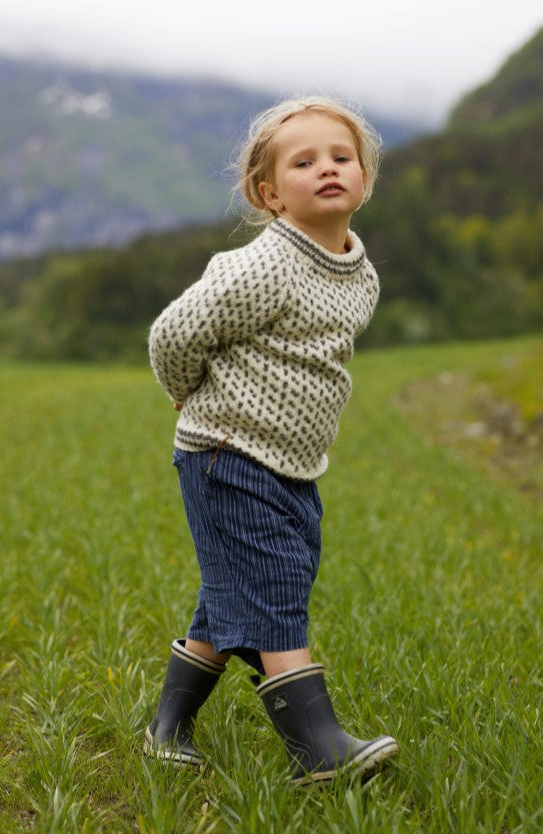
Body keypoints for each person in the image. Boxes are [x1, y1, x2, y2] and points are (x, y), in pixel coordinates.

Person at [144, 96, 399, 784]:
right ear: (269, 193)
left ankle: (165, 728)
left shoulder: (359, 274)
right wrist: (183, 389)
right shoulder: (261, 267)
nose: (326, 169)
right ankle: (316, 750)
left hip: (292, 463)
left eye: (341, 158)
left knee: (233, 594)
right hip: (225, 451)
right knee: (274, 588)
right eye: (303, 161)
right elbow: (174, 334)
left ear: (364, 180)